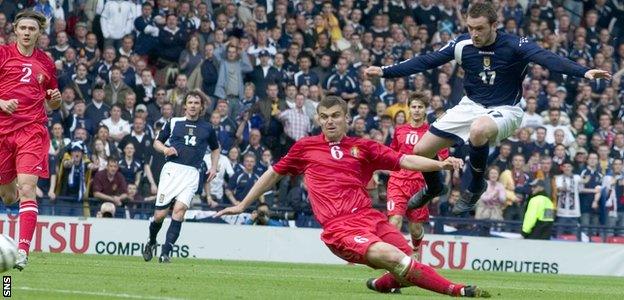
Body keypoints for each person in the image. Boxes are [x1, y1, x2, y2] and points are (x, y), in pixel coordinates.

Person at [216, 96, 488, 297]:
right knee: (397, 260)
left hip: (370, 218)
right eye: (324, 116)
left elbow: (405, 160)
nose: (329, 121)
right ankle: (458, 290)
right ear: (318, 119)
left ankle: (380, 284)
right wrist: (242, 204)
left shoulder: (363, 146)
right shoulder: (305, 148)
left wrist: (439, 164)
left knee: (406, 268)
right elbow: (272, 175)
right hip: (340, 227)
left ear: (346, 118)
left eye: (335, 115)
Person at [364, 2, 611, 215]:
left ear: (495, 25)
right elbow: (426, 60)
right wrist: (386, 71)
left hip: (506, 109)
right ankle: (436, 187)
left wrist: (584, 71)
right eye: (470, 28)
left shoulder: (516, 45)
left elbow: (548, 58)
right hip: (471, 105)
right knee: (421, 149)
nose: (474, 34)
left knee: (479, 129)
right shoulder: (462, 45)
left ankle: (475, 186)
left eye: (480, 28)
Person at [0, 10, 61, 271]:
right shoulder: (2, 54)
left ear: (39, 33)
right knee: (8, 196)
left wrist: (55, 101)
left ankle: (22, 251)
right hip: (3, 131)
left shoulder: (46, 62)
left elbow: (52, 100)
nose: (26, 32)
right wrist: (1, 102)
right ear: (15, 30)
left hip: (32, 132)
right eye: (23, 28)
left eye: (32, 29)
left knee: (27, 189)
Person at [143, 91, 220, 263]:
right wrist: (165, 149)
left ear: (201, 107)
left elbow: (216, 148)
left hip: (192, 173)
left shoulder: (207, 128)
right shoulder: (173, 122)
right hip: (172, 171)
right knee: (159, 216)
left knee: (179, 212)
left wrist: (214, 167)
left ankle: (165, 252)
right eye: (190, 102)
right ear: (185, 105)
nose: (193, 105)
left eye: (196, 103)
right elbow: (157, 142)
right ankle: (152, 241)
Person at [386, 92, 448, 258]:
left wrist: (434, 185)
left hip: (420, 183)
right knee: (395, 221)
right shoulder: (399, 130)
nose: (417, 110)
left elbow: (442, 157)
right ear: (409, 109)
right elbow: (392, 154)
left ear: (425, 110)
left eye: (420, 107)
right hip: (398, 180)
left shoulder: (433, 133)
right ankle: (393, 259)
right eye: (413, 107)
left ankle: (416, 248)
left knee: (415, 227)